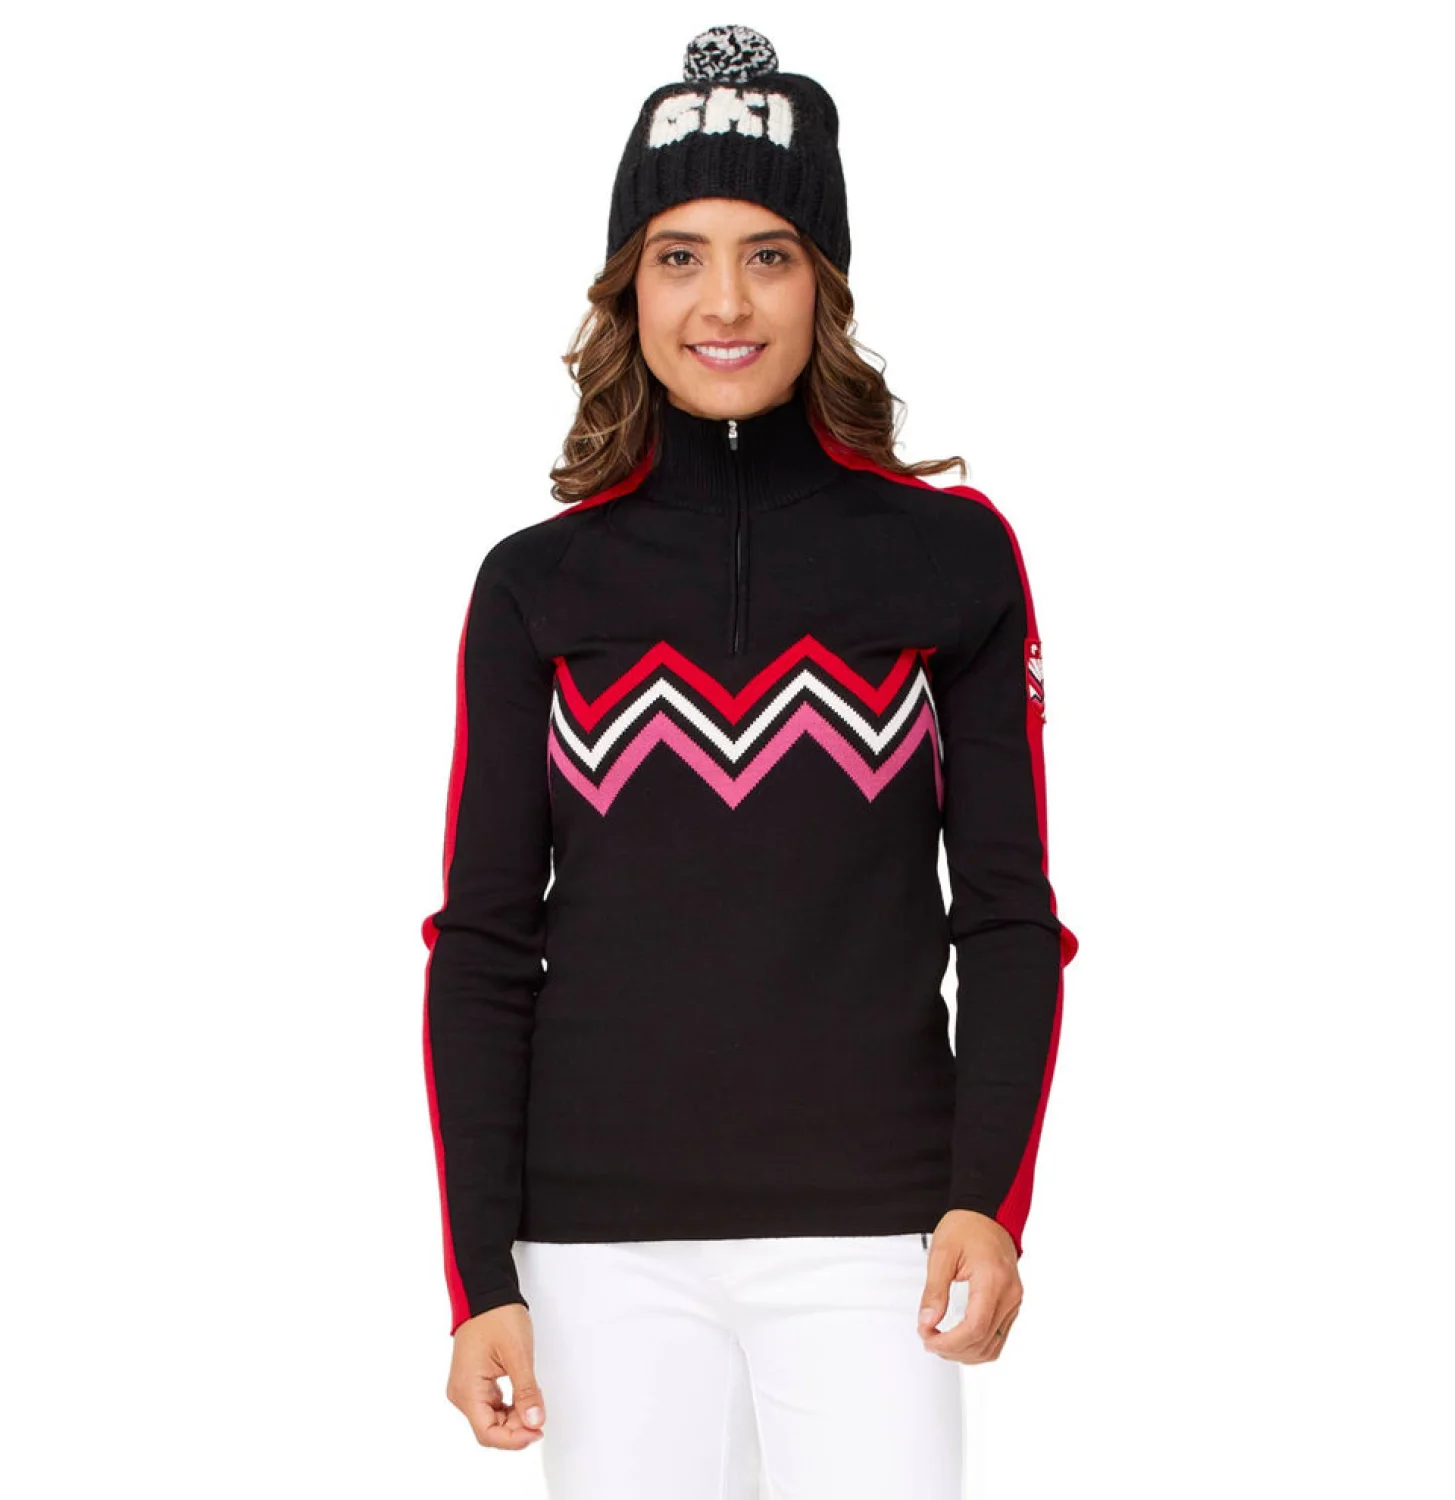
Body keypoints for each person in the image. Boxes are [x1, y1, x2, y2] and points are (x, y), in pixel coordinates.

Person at [420, 24, 1080, 1499]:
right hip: (596, 1252)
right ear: (628, 288)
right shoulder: (536, 585)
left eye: (769, 255)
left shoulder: (951, 558)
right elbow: (483, 943)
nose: (724, 302)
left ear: (824, 283)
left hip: (876, 1239)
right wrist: (479, 1277)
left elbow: (1009, 915)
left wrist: (988, 1200)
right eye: (680, 256)